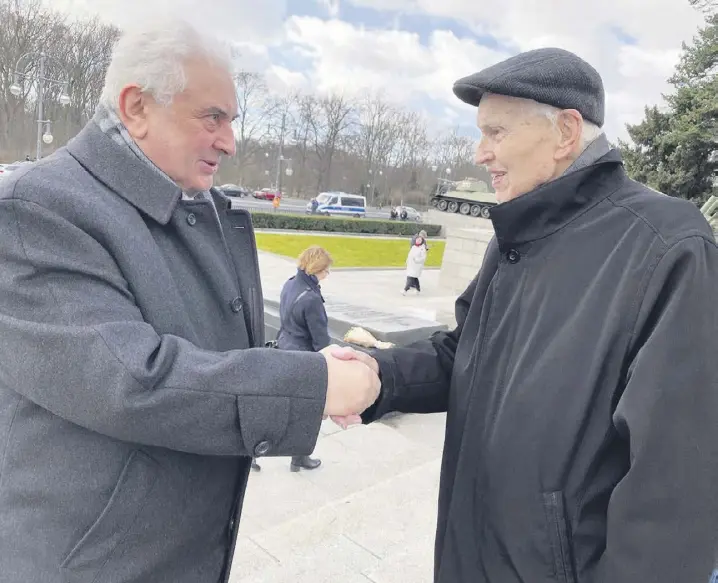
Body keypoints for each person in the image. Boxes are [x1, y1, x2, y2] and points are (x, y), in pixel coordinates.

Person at [0, 18, 379, 583]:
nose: (230, 141)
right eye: (212, 118)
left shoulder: (196, 206)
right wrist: (314, 385)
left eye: (231, 120)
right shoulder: (34, 209)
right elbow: (129, 381)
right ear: (136, 107)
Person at [335, 47, 718, 582]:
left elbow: (673, 497)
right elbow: (463, 354)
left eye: (496, 132)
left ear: (565, 132)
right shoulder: (516, 237)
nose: (479, 152)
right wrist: (379, 377)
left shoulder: (666, 246)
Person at [276, 245, 333, 472]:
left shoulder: (290, 283)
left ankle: (254, 456)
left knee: (284, 407)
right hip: (304, 358)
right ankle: (299, 458)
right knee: (307, 412)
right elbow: (321, 341)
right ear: (317, 269)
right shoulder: (311, 299)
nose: (327, 275)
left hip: (285, 347)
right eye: (326, 271)